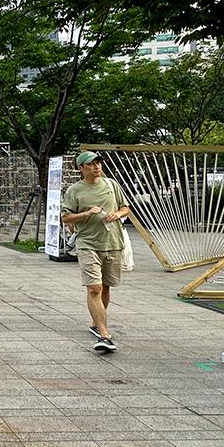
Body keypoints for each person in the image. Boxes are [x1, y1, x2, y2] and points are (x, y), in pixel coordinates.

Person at [61, 150, 131, 354]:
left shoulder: (111, 185)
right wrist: (85, 213)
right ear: (81, 168)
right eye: (91, 164)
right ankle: (104, 335)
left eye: (98, 163)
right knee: (94, 289)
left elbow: (126, 208)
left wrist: (117, 214)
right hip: (87, 244)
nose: (96, 166)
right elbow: (66, 217)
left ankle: (95, 323)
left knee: (106, 288)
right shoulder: (75, 191)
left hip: (112, 242)